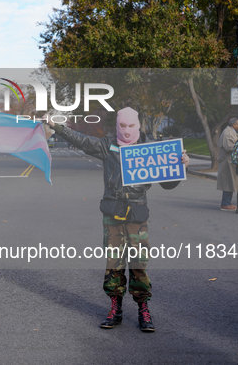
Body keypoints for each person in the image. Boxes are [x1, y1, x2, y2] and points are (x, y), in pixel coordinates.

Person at [47, 107, 189, 333]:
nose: (127, 130)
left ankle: (143, 308)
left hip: (137, 213)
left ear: (139, 126)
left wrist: (180, 165)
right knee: (114, 263)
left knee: (138, 263)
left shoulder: (151, 150)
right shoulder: (108, 146)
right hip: (113, 212)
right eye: (122, 126)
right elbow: (84, 141)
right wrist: (58, 127)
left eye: (131, 125)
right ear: (117, 126)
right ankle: (115, 308)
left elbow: (168, 183)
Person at [217, 118, 238, 211]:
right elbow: (229, 147)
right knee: (228, 182)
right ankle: (225, 203)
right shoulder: (228, 132)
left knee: (230, 182)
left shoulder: (231, 131)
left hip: (230, 160)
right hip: (227, 161)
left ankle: (227, 203)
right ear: (234, 124)